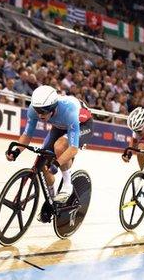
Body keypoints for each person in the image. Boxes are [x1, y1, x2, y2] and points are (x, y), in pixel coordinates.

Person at [6, 85, 93, 221]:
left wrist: (57, 164)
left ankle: (67, 185)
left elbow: (73, 148)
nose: (40, 115)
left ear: (53, 107)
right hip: (60, 126)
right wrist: (17, 151)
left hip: (82, 125)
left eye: (44, 112)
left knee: (59, 147)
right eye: (38, 111)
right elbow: (27, 135)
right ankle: (52, 201)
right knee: (42, 162)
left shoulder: (69, 110)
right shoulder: (35, 109)